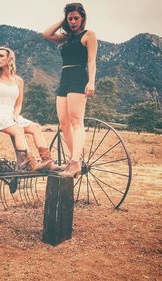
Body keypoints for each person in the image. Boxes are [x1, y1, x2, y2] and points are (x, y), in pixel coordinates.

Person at [0, 46, 55, 172]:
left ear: (10, 59)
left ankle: (48, 162)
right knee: (18, 130)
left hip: (11, 114)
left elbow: (18, 104)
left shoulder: (19, 81)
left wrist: (15, 114)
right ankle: (28, 164)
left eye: (1, 56)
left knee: (36, 127)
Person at [42, 2, 98, 177]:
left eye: (76, 18)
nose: (73, 21)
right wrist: (63, 20)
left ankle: (74, 163)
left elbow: (91, 61)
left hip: (78, 78)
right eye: (70, 18)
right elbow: (46, 34)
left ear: (82, 19)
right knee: (64, 123)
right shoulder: (65, 37)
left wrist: (91, 82)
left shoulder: (89, 35)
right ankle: (76, 160)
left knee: (76, 121)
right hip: (64, 79)